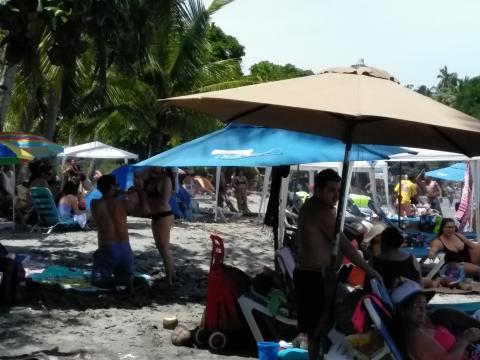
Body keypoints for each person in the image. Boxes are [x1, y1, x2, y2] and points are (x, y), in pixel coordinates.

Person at [293, 169, 382, 360]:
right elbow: (347, 247)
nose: (336, 195)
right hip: (313, 277)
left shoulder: (316, 206)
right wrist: (370, 270)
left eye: (339, 191)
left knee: (319, 330)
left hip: (316, 275)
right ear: (318, 190)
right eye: (331, 190)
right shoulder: (319, 211)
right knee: (317, 330)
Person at [393, 277, 480, 359]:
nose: (423, 309)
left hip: (471, 351)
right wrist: (465, 339)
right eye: (416, 305)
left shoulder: (421, 324)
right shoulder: (416, 338)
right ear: (403, 310)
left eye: (424, 304)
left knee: (443, 313)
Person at [90, 174, 148, 288]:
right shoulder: (122, 203)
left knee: (97, 280)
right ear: (112, 186)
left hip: (107, 248)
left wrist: (117, 190)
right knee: (127, 274)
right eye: (117, 185)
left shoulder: (94, 204)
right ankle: (131, 280)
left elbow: (106, 198)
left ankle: (123, 281)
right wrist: (139, 191)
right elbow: (146, 210)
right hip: (125, 249)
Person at [143, 167, 176, 285]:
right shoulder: (150, 179)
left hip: (164, 215)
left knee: (164, 247)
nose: (152, 166)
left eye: (154, 165)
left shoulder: (166, 179)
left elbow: (164, 200)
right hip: (155, 215)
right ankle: (172, 273)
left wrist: (146, 199)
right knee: (159, 246)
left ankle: (169, 279)